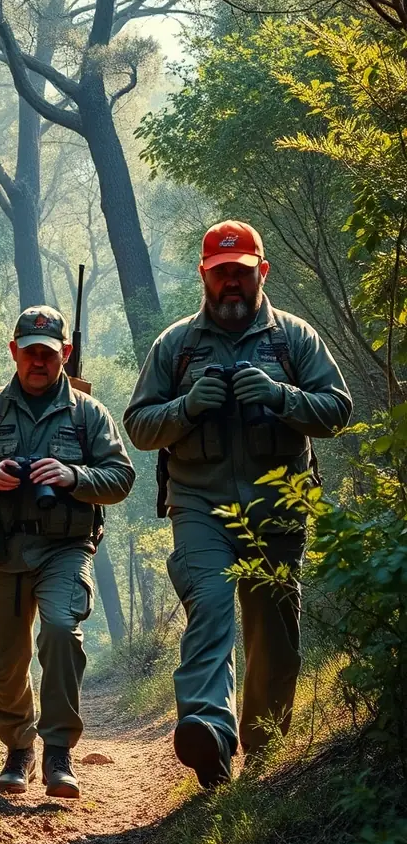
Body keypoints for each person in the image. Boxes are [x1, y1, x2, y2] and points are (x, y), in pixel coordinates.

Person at [124, 221, 352, 788]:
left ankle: (265, 751)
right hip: (199, 504)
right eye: (221, 272)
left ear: (261, 274)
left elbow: (337, 408)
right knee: (210, 606)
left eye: (242, 273)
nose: (232, 284)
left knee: (273, 631)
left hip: (278, 504)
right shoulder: (175, 346)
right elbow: (138, 426)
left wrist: (281, 397)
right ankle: (208, 731)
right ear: (204, 274)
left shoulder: (294, 339)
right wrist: (186, 408)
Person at [0, 306, 135, 798]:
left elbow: (121, 477)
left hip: (64, 546)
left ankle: (58, 751)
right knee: (6, 656)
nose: (39, 362)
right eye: (30, 353)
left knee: (61, 631)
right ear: (14, 352)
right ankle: (18, 747)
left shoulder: (88, 414)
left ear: (65, 354)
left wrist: (74, 477)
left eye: (49, 354)